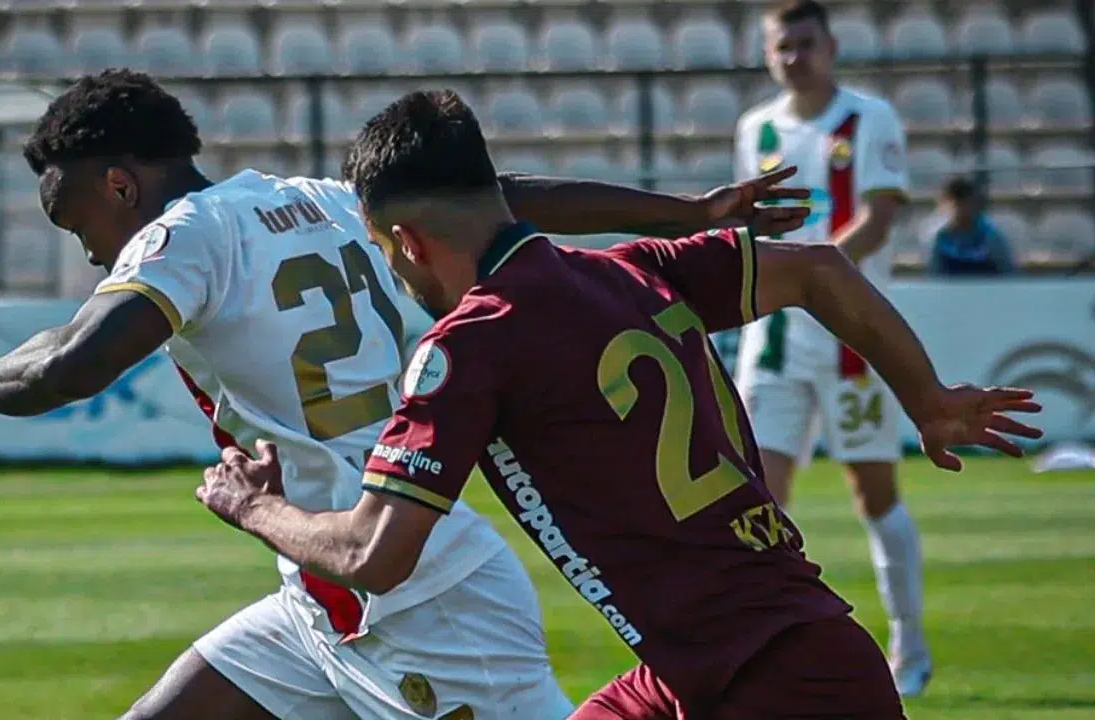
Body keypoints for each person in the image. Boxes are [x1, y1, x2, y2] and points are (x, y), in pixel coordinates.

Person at [0, 70, 811, 720]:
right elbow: (501, 195)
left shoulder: (181, 238)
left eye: (77, 222)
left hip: (417, 593)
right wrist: (685, 209)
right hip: (319, 587)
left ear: (121, 185)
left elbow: (69, 366)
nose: (90, 251)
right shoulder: (314, 197)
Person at [190, 90, 1043, 719]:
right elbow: (819, 270)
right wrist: (927, 399)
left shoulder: (470, 344)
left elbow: (373, 553)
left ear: (407, 241)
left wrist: (254, 506)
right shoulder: (634, 270)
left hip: (773, 680)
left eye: (385, 253)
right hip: (719, 668)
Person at [732, 0, 933, 695]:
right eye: (782, 46)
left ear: (831, 46)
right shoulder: (756, 129)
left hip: (853, 342)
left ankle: (909, 646)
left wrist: (814, 279)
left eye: (805, 43)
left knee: (873, 493)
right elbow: (750, 228)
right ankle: (768, 654)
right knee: (758, 499)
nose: (794, 57)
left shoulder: (869, 119)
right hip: (775, 339)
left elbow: (878, 218)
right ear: (768, 54)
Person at [928, 176, 1015, 275]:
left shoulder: (992, 235)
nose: (961, 208)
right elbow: (934, 275)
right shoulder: (938, 237)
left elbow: (1008, 273)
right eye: (956, 202)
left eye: (966, 202)